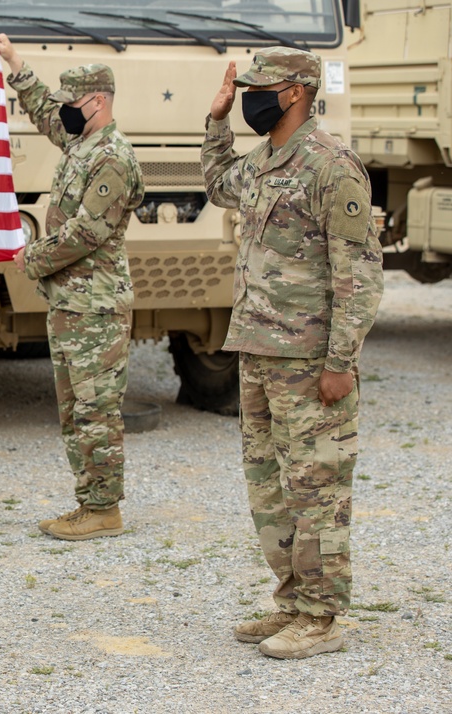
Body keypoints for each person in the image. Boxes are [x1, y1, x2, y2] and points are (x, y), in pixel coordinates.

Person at [202, 47, 384, 659]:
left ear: (298, 92)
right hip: (257, 350)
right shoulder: (265, 160)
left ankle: (322, 617)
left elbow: (357, 272)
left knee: (318, 488)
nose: (252, 95)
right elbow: (217, 185)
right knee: (269, 488)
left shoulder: (333, 166)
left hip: (309, 360)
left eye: (261, 88)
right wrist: (218, 119)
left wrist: (340, 362)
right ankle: (291, 601)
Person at [0, 35, 144, 541]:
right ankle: (88, 501)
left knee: (97, 410)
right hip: (71, 304)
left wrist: (29, 257)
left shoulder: (114, 159)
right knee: (76, 410)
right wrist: (14, 62)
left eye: (75, 104)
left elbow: (87, 232)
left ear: (98, 102)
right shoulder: (82, 141)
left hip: (96, 308)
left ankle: (105, 509)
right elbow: (44, 112)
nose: (67, 114)